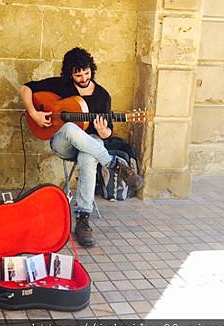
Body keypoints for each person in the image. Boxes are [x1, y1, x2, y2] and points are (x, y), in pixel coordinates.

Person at [20, 47, 143, 247]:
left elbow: (107, 132)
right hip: (63, 143)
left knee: (88, 156)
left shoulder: (102, 95)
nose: (84, 78)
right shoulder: (62, 85)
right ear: (70, 73)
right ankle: (113, 163)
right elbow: (25, 88)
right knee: (69, 127)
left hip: (92, 143)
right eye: (78, 75)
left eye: (87, 73)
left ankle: (83, 220)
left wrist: (104, 132)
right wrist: (34, 113)